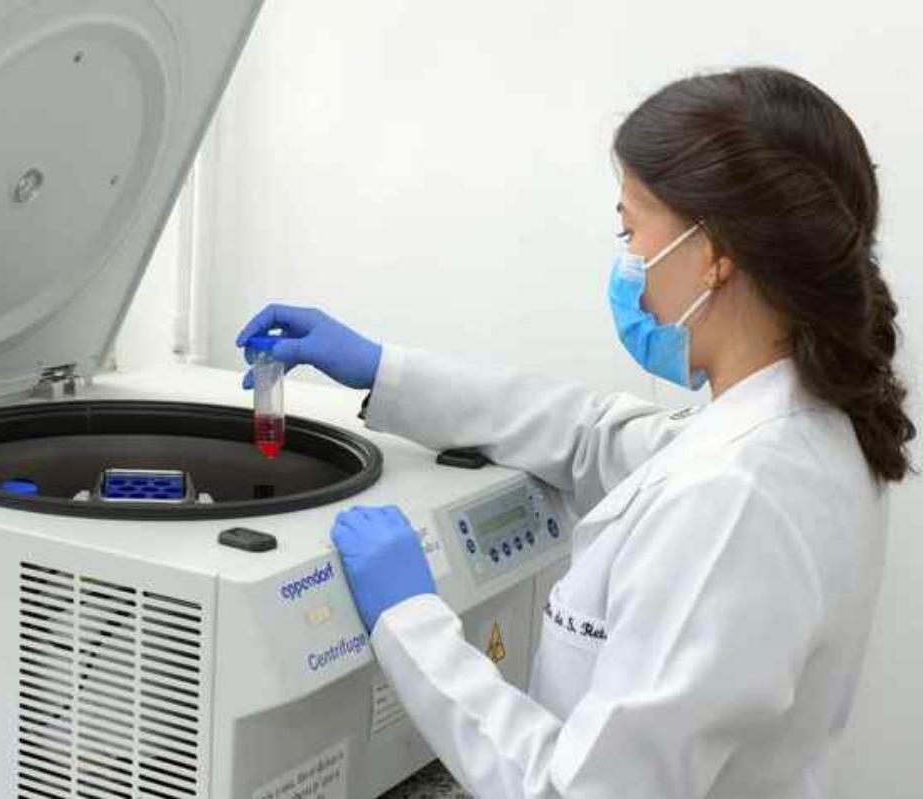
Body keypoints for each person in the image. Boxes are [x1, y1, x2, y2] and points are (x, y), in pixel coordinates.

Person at [235, 67, 915, 798]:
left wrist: (410, 622)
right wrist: (383, 370)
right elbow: (592, 434)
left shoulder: (736, 497)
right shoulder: (799, 422)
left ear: (714, 254)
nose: (628, 265)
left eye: (632, 230)